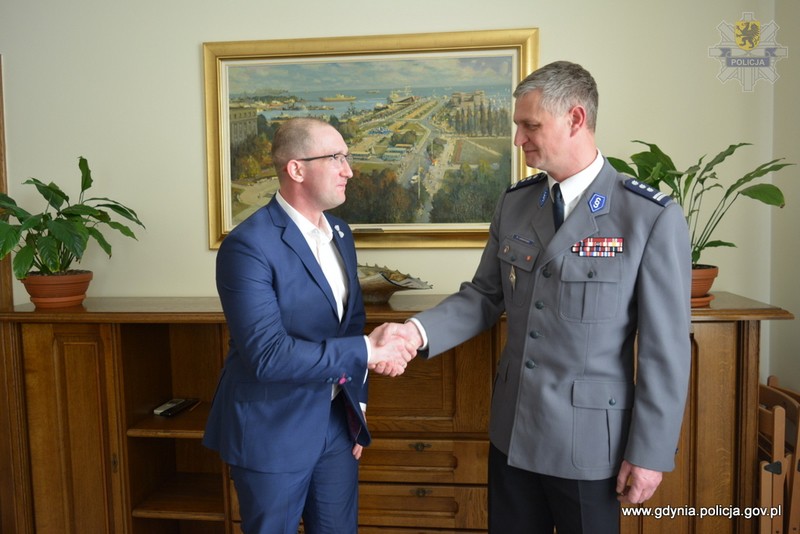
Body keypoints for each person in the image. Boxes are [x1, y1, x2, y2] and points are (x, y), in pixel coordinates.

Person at [381, 61, 692, 533]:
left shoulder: (647, 216)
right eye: (518, 126)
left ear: (575, 119)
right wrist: (414, 332)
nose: (517, 139)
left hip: (590, 445)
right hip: (513, 432)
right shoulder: (516, 201)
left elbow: (664, 349)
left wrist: (649, 452)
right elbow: (484, 295)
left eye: (530, 126)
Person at [203, 117, 416, 534]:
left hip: (338, 424)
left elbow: (351, 323)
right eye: (336, 158)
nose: (348, 170)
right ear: (296, 169)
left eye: (347, 158)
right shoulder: (247, 246)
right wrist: (369, 350)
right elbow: (268, 356)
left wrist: (358, 407)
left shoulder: (340, 232)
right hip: (272, 430)